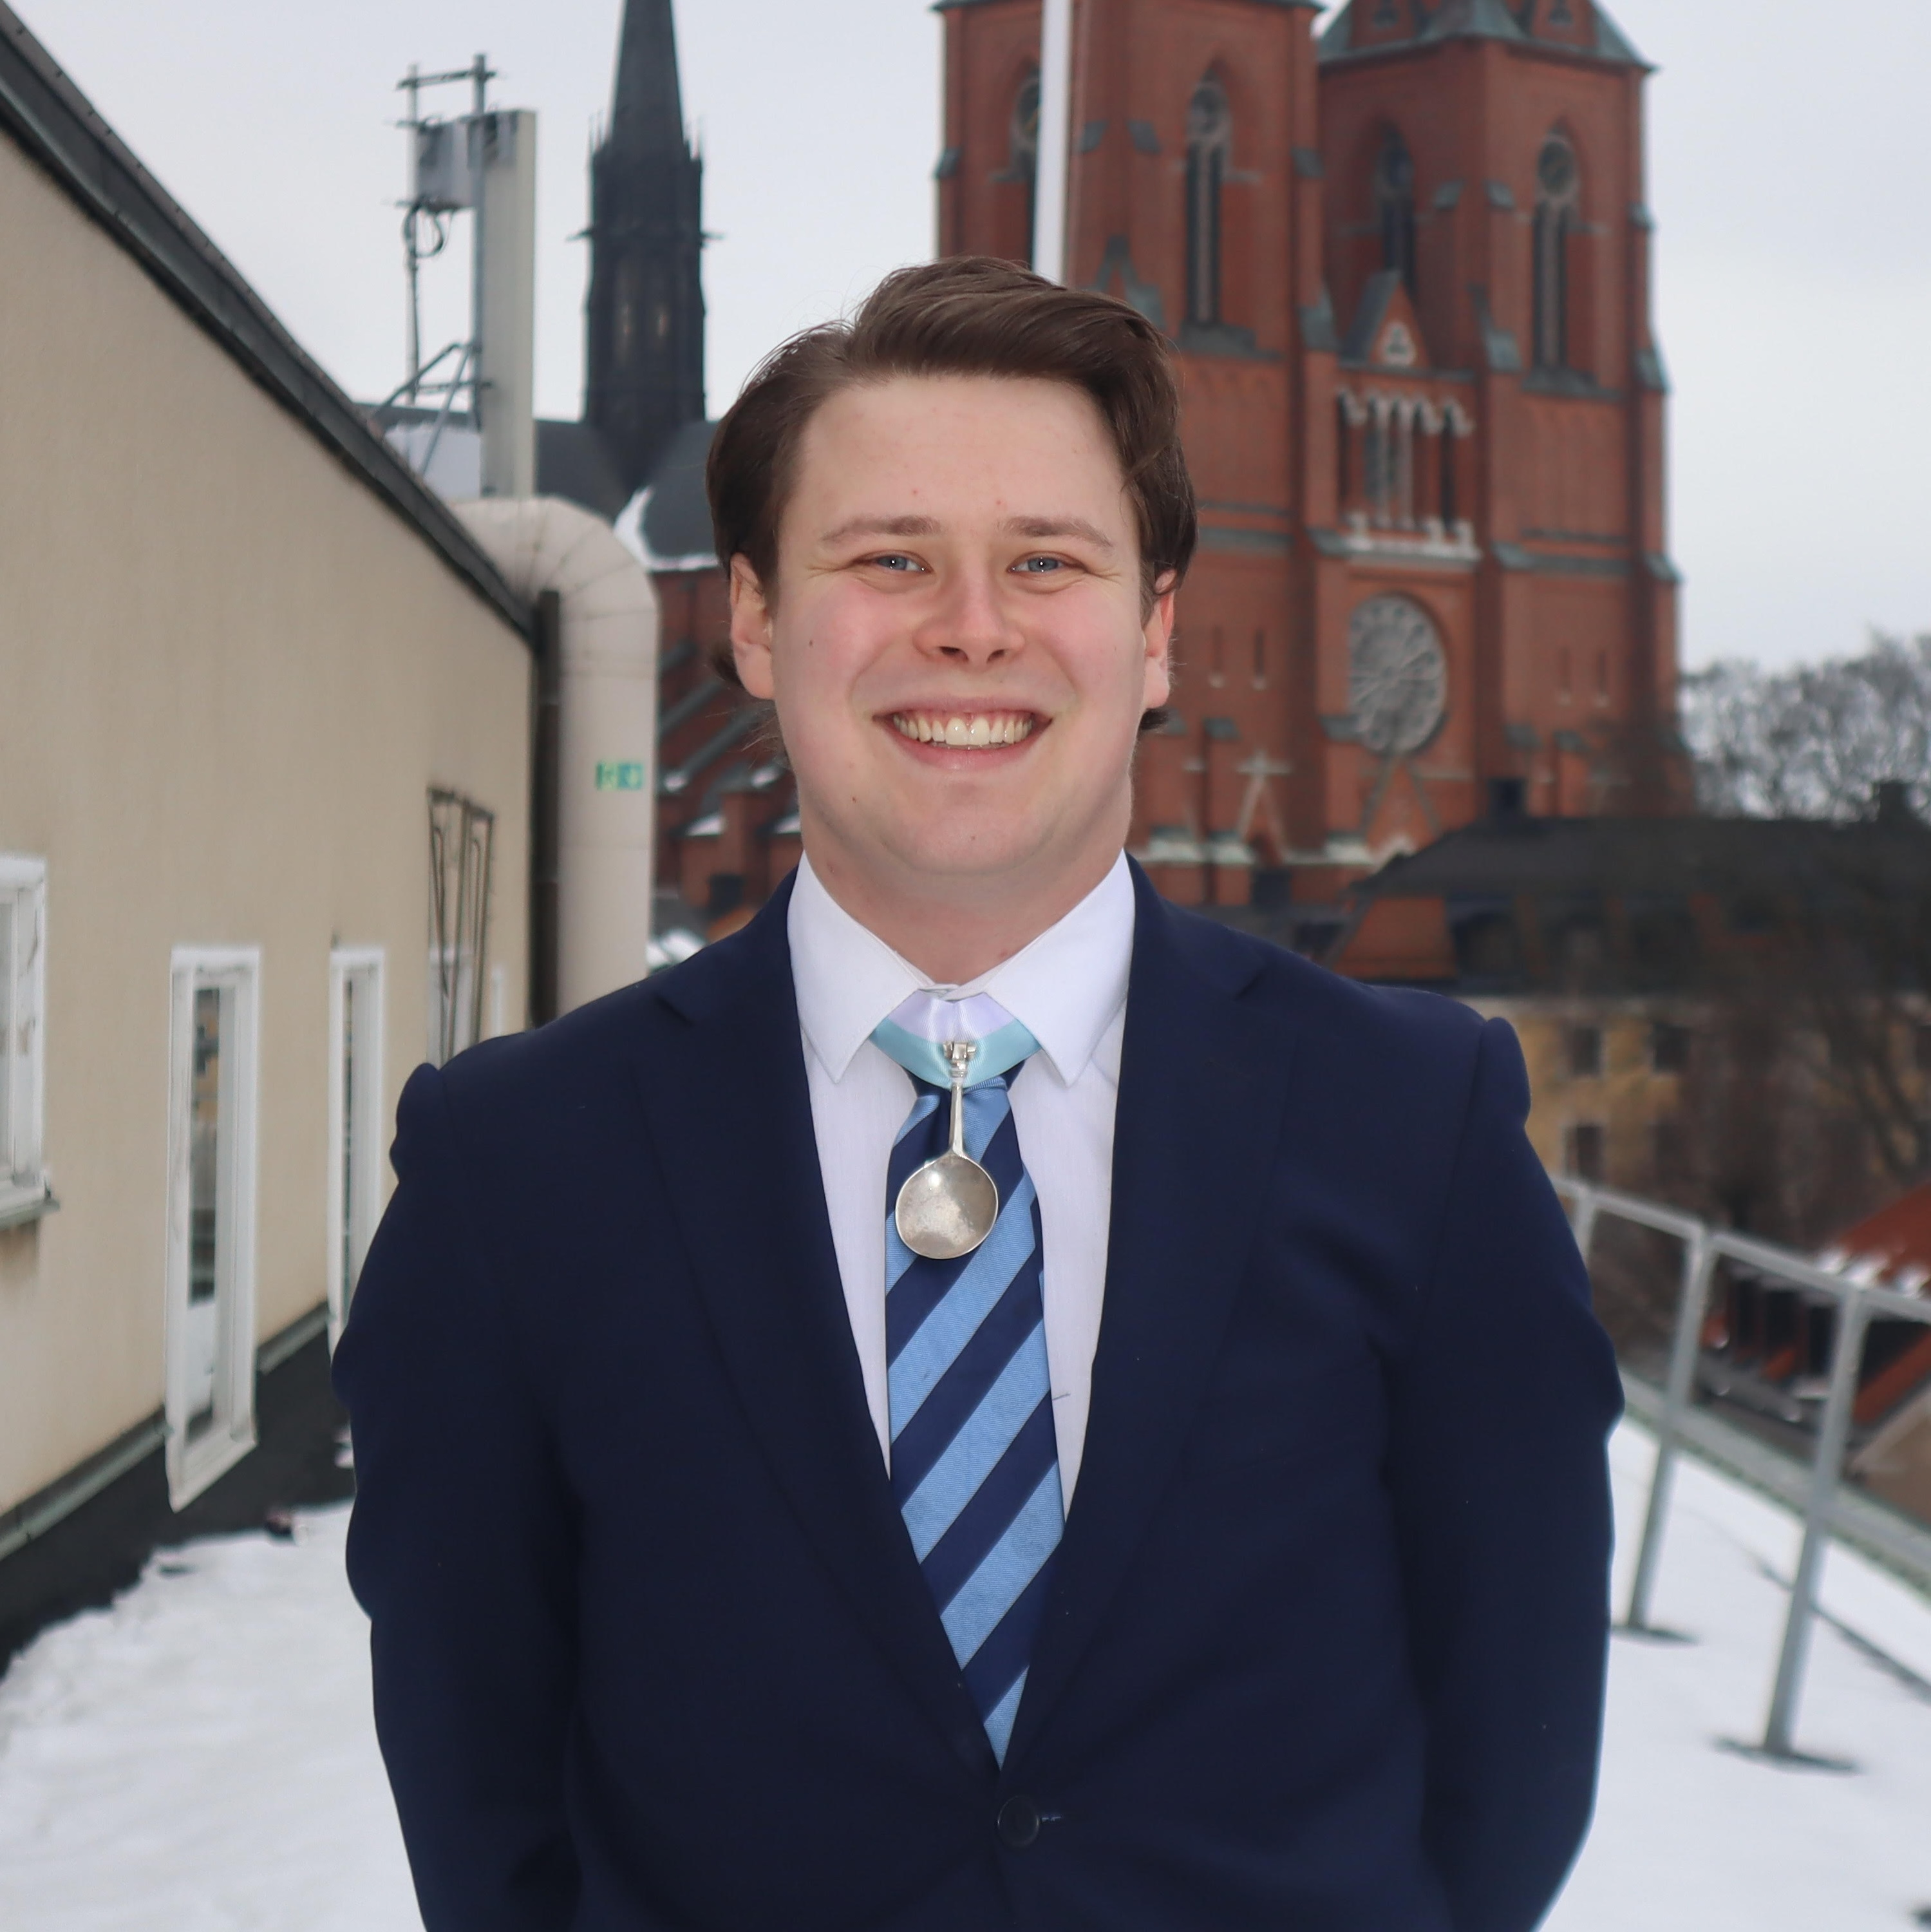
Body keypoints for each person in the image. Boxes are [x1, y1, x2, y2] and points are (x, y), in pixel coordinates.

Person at [334, 256, 1622, 1932]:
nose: (972, 626)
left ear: (1155, 630)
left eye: (1047, 561)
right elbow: (479, 1783)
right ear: (753, 619)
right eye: (891, 559)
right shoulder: (514, 1172)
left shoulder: (1416, 1129)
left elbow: (1513, 1754)